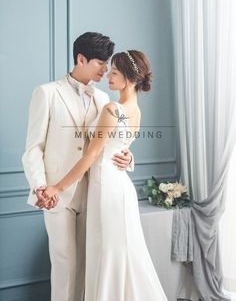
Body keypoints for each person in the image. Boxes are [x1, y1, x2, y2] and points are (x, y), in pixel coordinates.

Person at [42, 50, 168, 301]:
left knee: (108, 254)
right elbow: (121, 148)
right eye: (109, 70)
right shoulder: (135, 111)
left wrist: (57, 187)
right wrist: (129, 158)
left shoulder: (112, 108)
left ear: (130, 79)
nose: (108, 75)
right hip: (118, 185)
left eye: (116, 73)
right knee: (118, 253)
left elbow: (90, 156)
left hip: (106, 186)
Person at [22, 32, 134, 301]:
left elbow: (110, 143)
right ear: (80, 58)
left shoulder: (104, 100)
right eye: (100, 63)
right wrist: (40, 186)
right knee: (65, 266)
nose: (105, 70)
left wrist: (129, 159)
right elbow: (33, 149)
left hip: (95, 193)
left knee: (88, 268)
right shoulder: (46, 93)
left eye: (108, 64)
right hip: (57, 196)